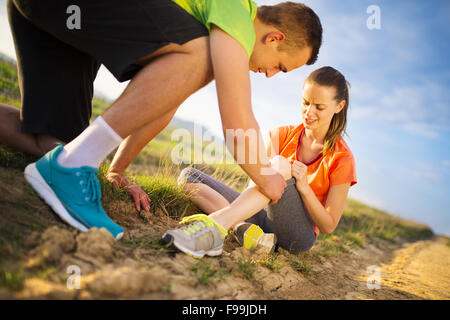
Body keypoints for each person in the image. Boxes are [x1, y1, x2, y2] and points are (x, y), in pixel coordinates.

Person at [2, 0, 323, 239]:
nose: (269, 75)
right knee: (201, 56)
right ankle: (71, 166)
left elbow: (164, 99)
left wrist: (118, 170)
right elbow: (238, 120)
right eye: (279, 67)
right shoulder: (236, 11)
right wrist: (267, 178)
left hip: (47, 11)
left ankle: (68, 160)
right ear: (275, 38)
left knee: (51, 143)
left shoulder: (210, 22)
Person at [163, 66, 357, 258]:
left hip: (297, 236)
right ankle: (244, 230)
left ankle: (216, 226)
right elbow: (256, 184)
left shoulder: (342, 159)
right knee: (189, 176)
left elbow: (328, 225)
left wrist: (304, 188)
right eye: (305, 102)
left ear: (339, 106)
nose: (308, 112)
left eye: (319, 107)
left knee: (280, 164)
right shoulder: (280, 135)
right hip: (262, 215)